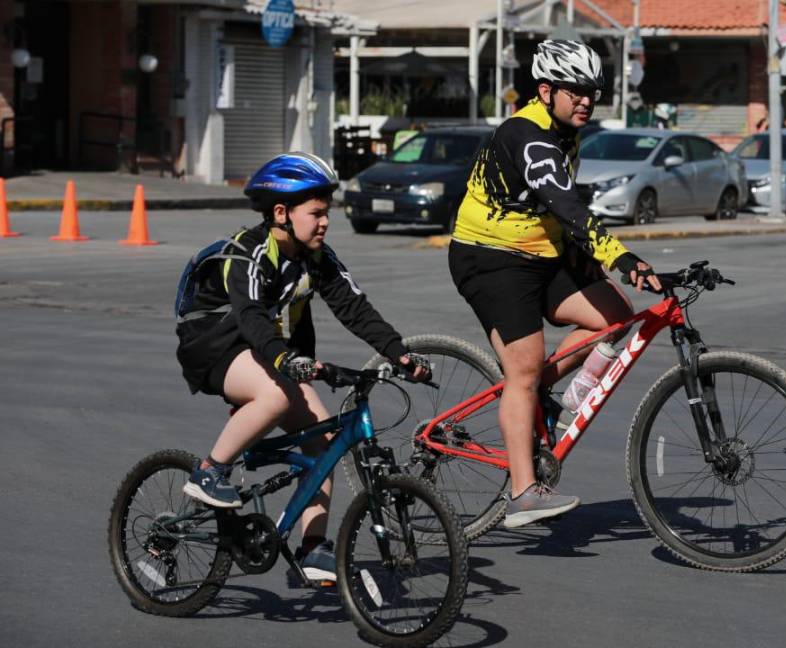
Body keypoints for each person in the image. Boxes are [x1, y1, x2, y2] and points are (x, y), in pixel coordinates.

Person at [175, 152, 431, 582]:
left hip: (268, 354)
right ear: (282, 212)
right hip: (216, 346)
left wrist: (398, 353)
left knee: (326, 440)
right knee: (274, 395)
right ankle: (209, 472)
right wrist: (286, 360)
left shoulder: (317, 257)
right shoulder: (250, 251)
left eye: (326, 213)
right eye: (316, 213)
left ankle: (313, 548)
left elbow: (354, 308)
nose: (325, 222)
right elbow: (252, 317)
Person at [448, 40, 663, 529]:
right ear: (546, 91)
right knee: (522, 369)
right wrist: (622, 256)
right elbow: (569, 206)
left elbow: (559, 215)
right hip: (490, 257)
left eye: (593, 92)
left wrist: (609, 265)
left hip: (542, 248)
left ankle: (545, 396)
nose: (587, 100)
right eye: (576, 91)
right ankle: (523, 493)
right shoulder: (527, 135)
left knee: (616, 316)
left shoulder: (567, 131)